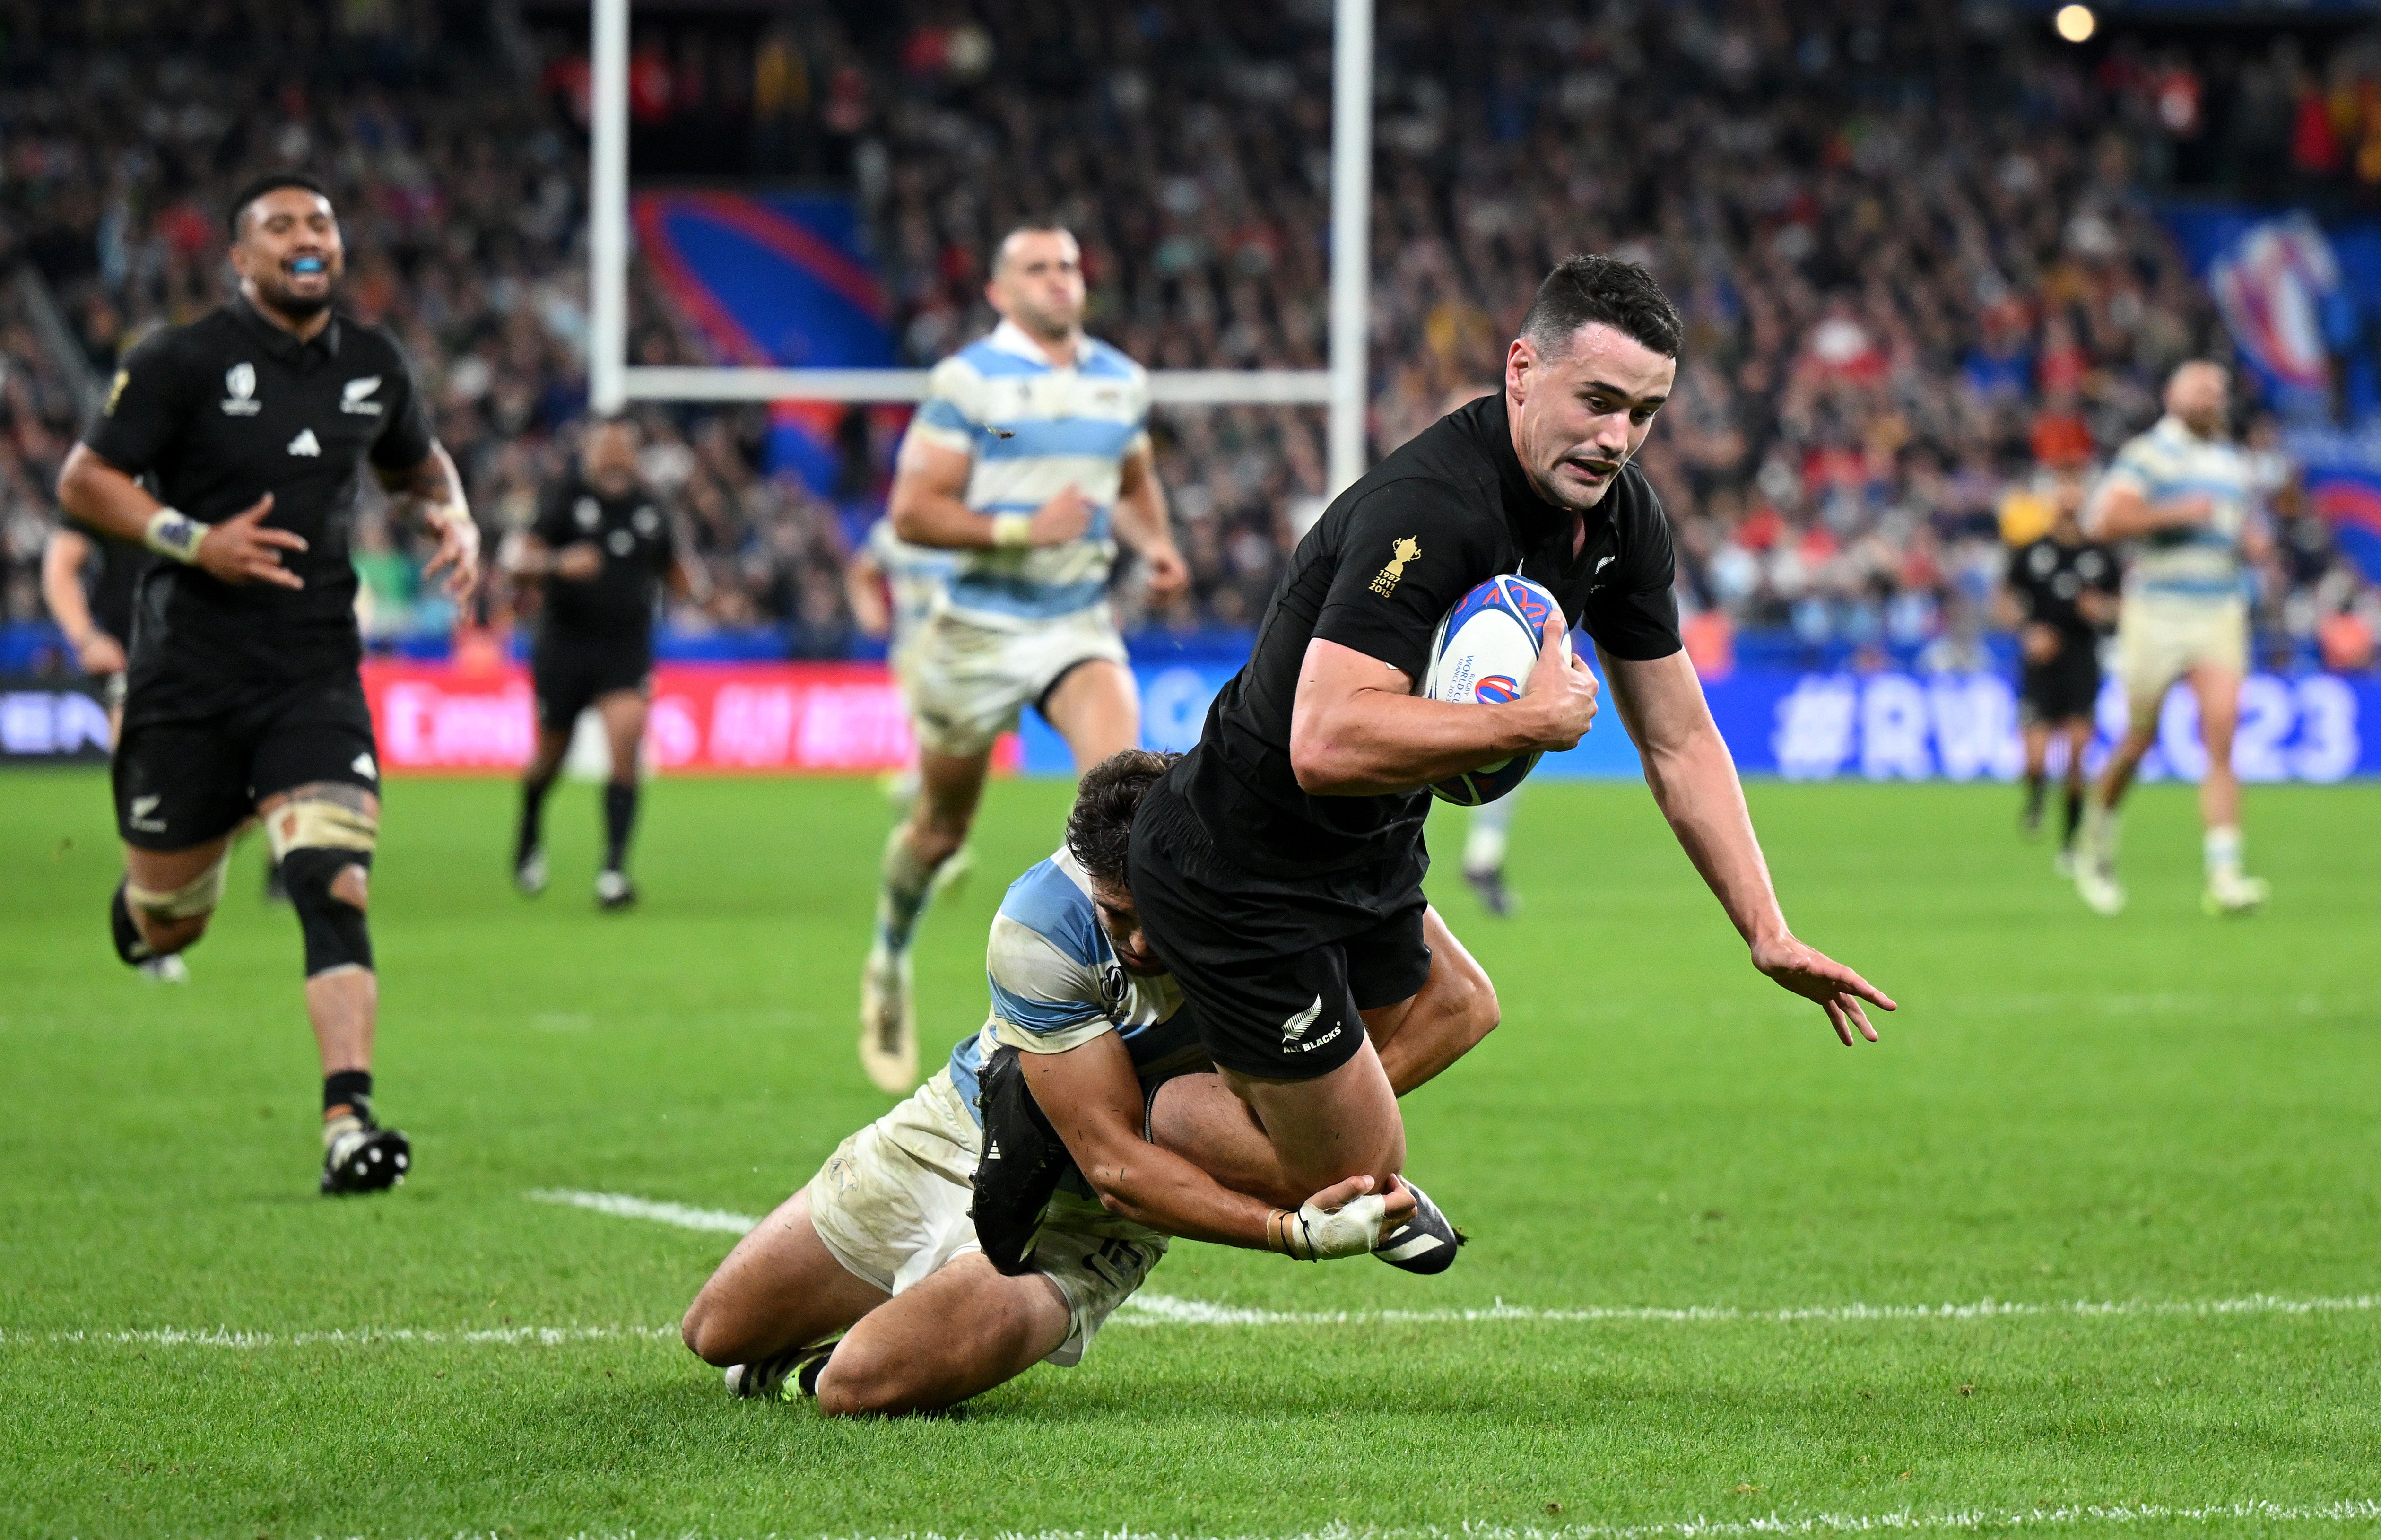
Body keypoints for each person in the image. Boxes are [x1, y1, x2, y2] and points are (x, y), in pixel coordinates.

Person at [1126, 254, 1895, 1206]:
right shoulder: (1428, 510)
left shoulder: (1621, 519)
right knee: (1345, 1169)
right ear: (1522, 370)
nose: (1618, 438)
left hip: (1370, 854)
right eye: (1598, 399)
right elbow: (1322, 742)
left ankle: (1185, 1108)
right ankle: (1115, 1123)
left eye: (1643, 413)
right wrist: (1525, 719)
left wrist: (1765, 929)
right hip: (1245, 860)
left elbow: (1680, 740)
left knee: (1459, 1005)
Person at [679, 750, 1491, 1415]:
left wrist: (1306, 1115)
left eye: (1155, 914)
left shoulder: (1267, 882)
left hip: (1092, 1222)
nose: (1137, 942)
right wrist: (1293, 1228)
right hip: (968, 1130)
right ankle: (899, 1322)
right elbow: (1113, 1160)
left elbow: (1461, 1002)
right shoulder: (1040, 923)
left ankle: (844, 1359)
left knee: (853, 1389)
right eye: (1116, 913)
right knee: (714, 1332)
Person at [52, 172, 478, 1195]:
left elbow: (418, 467)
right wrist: (195, 540)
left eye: (321, 222)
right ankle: (154, 897)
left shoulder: (374, 366)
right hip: (186, 678)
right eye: (279, 224)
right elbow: (83, 481)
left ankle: (349, 1118)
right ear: (240, 257)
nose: (306, 237)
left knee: (332, 876)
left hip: (312, 669)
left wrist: (453, 515)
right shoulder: (180, 359)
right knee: (170, 922)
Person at [860, 222, 1190, 1095]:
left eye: (1070, 266)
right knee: (939, 831)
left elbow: (1131, 481)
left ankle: (1102, 1006)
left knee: (1121, 794)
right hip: (975, 629)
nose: (1058, 281)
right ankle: (889, 956)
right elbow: (912, 512)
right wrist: (1019, 527)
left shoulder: (1120, 381)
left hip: (1075, 621)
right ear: (1000, 293)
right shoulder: (969, 382)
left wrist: (1155, 543)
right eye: (1037, 269)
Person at [2075, 362, 2272, 918]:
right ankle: (2097, 839)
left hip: (2217, 609)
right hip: (2157, 611)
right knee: (2139, 738)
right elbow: (2101, 520)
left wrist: (2251, 543)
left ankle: (2225, 874)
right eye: (2199, 387)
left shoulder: (2230, 463)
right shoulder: (2147, 454)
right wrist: (2174, 513)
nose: (2210, 396)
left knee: (2221, 736)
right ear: (2172, 395)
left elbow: (2236, 527)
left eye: (2217, 387)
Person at [504, 416, 702, 910]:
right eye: (605, 448)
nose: (614, 458)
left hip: (625, 648)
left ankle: (613, 870)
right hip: (565, 646)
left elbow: (678, 572)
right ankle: (530, 828)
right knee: (553, 755)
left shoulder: (652, 508)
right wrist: (556, 564)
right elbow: (516, 561)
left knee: (626, 741)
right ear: (589, 452)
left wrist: (692, 585)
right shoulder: (562, 500)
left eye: (623, 448)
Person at [41, 520, 190, 981]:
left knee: (235, 802)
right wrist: (86, 637)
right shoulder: (113, 464)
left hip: (202, 655)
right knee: (148, 781)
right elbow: (60, 564)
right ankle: (149, 923)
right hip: (132, 655)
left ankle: (154, 893)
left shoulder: (204, 462)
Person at [1999, 468, 2119, 873]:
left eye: (2075, 486)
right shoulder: (2030, 551)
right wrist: (2027, 632)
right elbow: (2004, 604)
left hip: (2082, 659)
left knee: (2076, 755)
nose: (2069, 496)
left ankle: (2069, 842)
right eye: (2062, 487)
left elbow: (2121, 610)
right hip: (2041, 661)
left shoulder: (2102, 555)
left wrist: (2100, 611)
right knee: (2035, 757)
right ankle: (2035, 797)